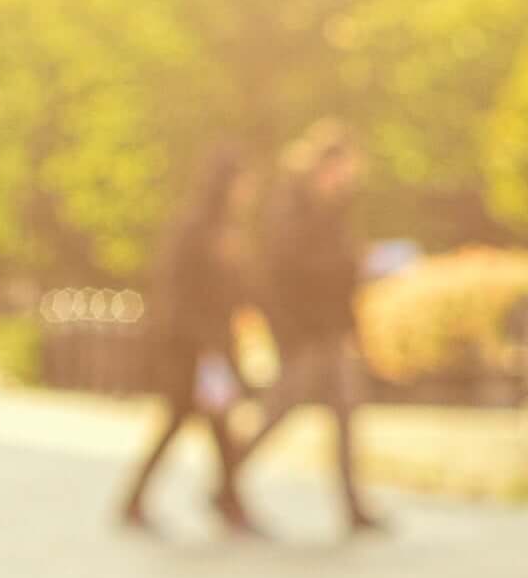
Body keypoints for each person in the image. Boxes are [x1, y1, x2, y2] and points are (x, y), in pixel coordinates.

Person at [243, 123, 386, 534]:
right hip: (303, 333)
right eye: (344, 169)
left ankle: (352, 505)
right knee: (279, 410)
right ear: (325, 166)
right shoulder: (292, 208)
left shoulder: (332, 210)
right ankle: (228, 479)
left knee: (345, 413)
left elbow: (337, 276)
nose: (348, 179)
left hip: (330, 332)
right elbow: (284, 274)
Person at [119, 149, 260, 536]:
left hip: (210, 345)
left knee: (211, 425)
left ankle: (227, 503)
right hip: (193, 348)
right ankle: (227, 505)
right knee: (193, 422)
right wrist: (202, 344)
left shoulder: (225, 228)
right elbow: (181, 291)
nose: (249, 192)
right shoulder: (197, 229)